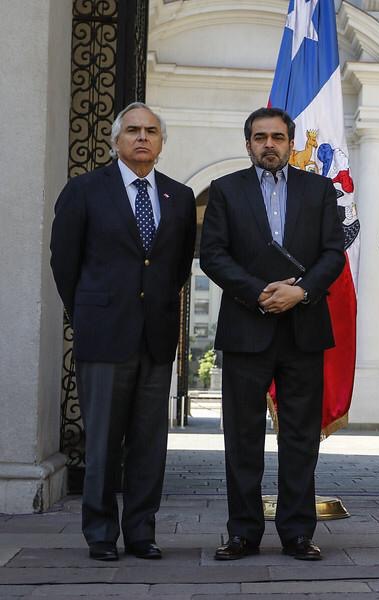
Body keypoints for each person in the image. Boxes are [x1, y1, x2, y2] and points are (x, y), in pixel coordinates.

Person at [50, 102, 196, 561]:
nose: (141, 137)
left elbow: (176, 268)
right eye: (132, 130)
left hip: (154, 337)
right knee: (103, 442)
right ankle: (99, 533)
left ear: (161, 141)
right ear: (116, 140)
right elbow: (64, 263)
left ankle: (140, 532)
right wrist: (88, 312)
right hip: (104, 334)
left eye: (151, 130)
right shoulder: (84, 191)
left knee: (149, 444)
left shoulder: (179, 196)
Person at [199, 107, 345, 561]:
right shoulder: (225, 191)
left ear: (290, 142)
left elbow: (333, 254)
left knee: (300, 438)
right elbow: (214, 256)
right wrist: (261, 292)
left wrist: (299, 292)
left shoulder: (320, 190)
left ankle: (297, 533)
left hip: (303, 329)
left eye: (277, 137)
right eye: (260, 137)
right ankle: (243, 532)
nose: (269, 144)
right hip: (247, 328)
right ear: (248, 145)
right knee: (243, 437)